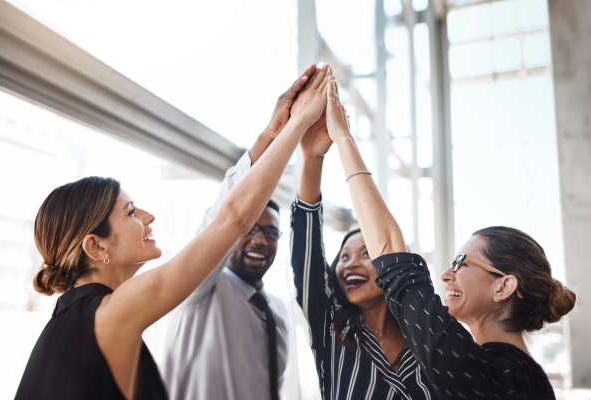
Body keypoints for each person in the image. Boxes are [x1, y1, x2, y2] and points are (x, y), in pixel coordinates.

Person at [15, 64, 332, 400]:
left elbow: (223, 218)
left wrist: (270, 134)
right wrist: (298, 124)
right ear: (95, 246)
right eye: (132, 212)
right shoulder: (112, 313)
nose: (148, 217)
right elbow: (232, 218)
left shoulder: (72, 321)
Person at [324, 77, 576, 399]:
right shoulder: (528, 376)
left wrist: (344, 138)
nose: (446, 274)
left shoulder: (480, 371)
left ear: (503, 286)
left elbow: (394, 262)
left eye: (461, 263)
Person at [159, 67, 332, 400]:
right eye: (251, 229)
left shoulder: (278, 313)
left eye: (270, 233)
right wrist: (271, 134)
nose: (260, 239)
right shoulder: (199, 288)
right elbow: (226, 214)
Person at [290, 110, 437, 399]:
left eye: (366, 254)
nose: (350, 263)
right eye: (343, 256)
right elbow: (305, 252)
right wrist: (312, 159)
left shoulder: (427, 335)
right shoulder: (331, 326)